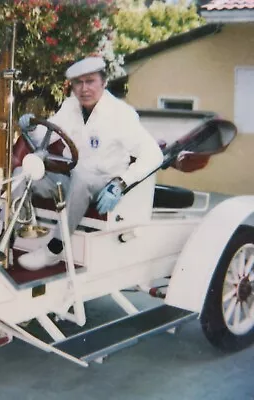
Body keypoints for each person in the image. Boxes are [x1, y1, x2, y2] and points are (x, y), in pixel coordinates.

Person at [14, 56, 164, 271]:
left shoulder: (121, 114)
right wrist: (30, 128)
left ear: (103, 82)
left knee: (83, 175)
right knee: (23, 172)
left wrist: (120, 184)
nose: (84, 89)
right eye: (78, 82)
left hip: (102, 184)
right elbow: (44, 139)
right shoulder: (70, 106)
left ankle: (54, 250)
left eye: (90, 81)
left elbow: (154, 154)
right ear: (72, 86)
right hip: (71, 180)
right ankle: (16, 237)